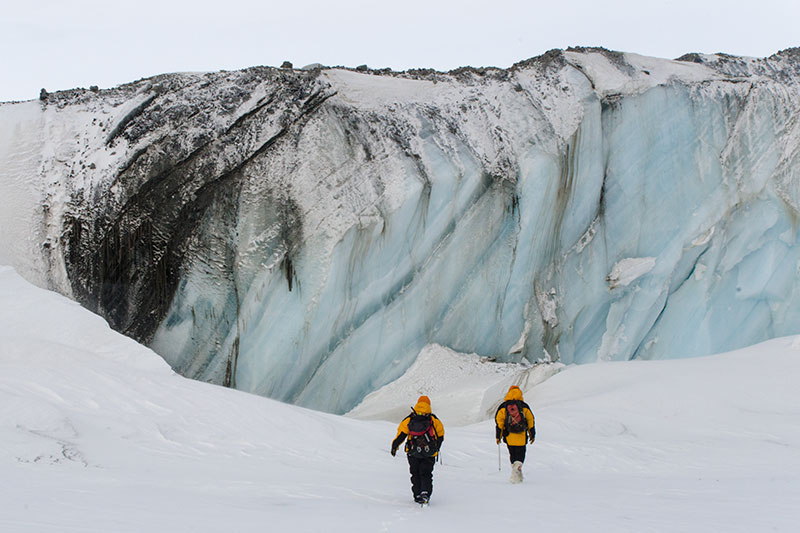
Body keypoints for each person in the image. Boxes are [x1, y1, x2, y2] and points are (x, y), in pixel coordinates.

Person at [391, 395, 445, 504]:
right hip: (429, 452)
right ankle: (425, 493)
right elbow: (441, 436)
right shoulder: (433, 420)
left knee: (415, 473)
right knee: (426, 473)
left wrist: (394, 446)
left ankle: (417, 494)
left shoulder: (410, 419)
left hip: (413, 452)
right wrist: (436, 448)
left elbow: (401, 434)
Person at [495, 385, 535, 483]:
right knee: (520, 455)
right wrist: (532, 434)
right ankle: (518, 471)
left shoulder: (504, 407)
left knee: (512, 454)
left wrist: (498, 436)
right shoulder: (523, 406)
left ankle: (516, 475)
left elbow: (499, 422)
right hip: (521, 436)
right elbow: (531, 420)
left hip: (509, 436)